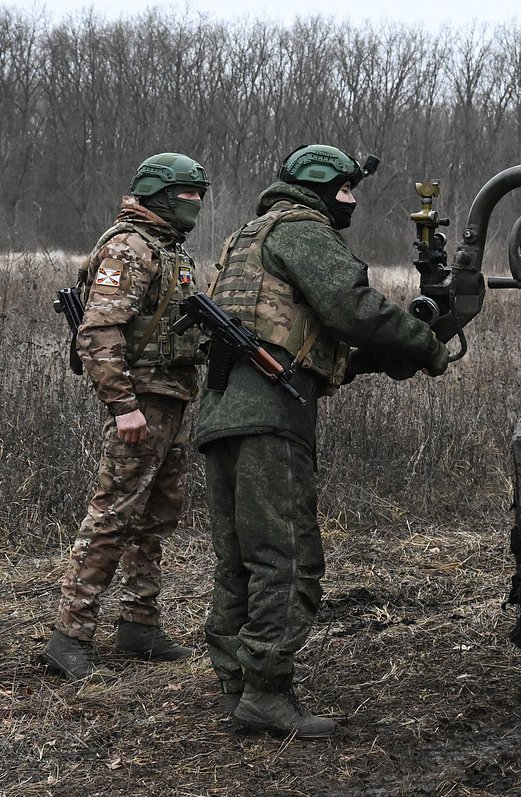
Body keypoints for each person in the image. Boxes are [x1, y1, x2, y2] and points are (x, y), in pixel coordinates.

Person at [195, 144, 449, 738]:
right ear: (321, 188)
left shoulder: (249, 238)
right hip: (269, 417)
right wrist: (422, 341)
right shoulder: (303, 230)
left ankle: (237, 683)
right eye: (346, 190)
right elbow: (352, 308)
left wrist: (376, 359)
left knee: (240, 560)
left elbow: (299, 338)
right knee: (287, 558)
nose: (352, 201)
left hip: (223, 414)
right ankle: (265, 693)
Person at [42, 152, 211, 682]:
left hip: (173, 397)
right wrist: (124, 406)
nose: (198, 204)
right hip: (143, 400)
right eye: (189, 194)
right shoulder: (129, 247)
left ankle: (139, 623)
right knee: (113, 515)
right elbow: (98, 332)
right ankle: (69, 636)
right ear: (162, 195)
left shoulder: (165, 248)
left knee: (156, 517)